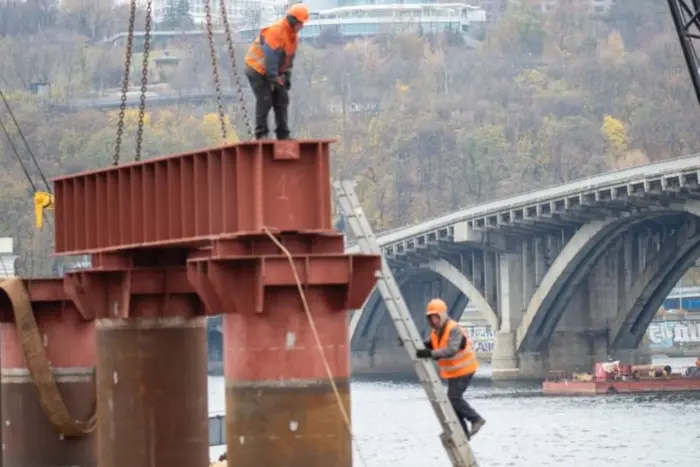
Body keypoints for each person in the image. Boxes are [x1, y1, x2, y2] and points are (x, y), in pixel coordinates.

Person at [416, 298, 486, 438]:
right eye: (431, 318)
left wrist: (430, 354)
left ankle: (476, 419)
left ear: (442, 315)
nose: (434, 321)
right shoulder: (436, 332)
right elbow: (431, 344)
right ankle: (463, 433)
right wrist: (414, 344)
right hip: (454, 372)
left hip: (465, 370)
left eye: (436, 317)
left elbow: (451, 349)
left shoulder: (454, 329)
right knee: (452, 401)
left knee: (453, 398)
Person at [244, 3, 309, 140]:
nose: (302, 26)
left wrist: (287, 76)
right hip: (256, 68)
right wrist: (274, 78)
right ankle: (261, 134)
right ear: (293, 20)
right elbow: (271, 57)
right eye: (300, 23)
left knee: (282, 98)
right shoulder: (276, 31)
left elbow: (289, 60)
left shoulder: (293, 38)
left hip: (271, 71)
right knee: (265, 98)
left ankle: (283, 134)